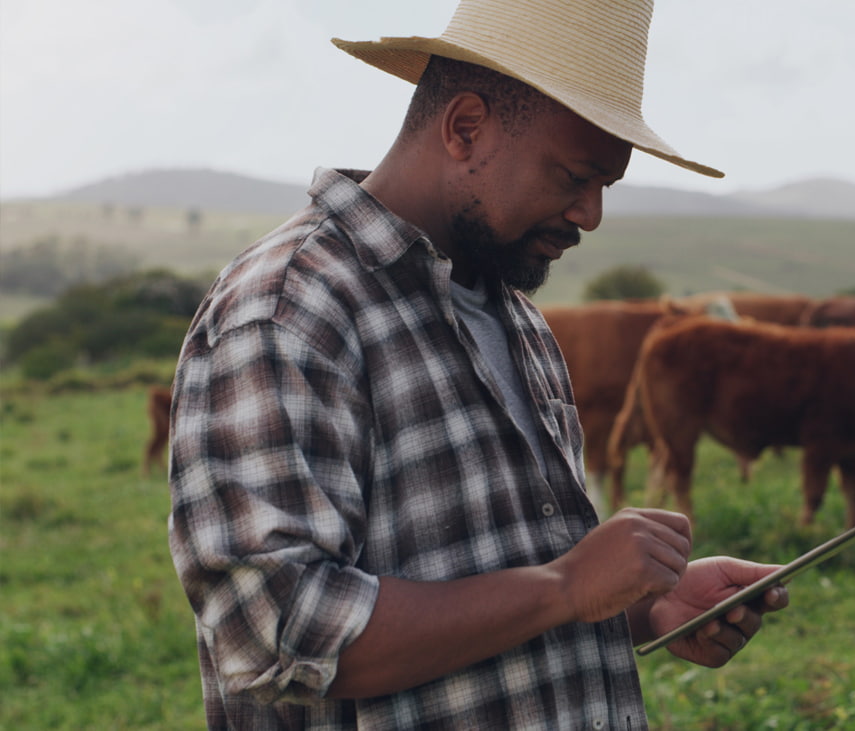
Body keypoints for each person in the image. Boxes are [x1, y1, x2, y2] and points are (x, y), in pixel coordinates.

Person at [167, 0, 789, 727]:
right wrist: (566, 584)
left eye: (604, 188)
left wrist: (642, 607)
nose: (589, 214)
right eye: (572, 176)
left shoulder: (513, 312)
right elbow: (277, 630)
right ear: (465, 129)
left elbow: (507, 590)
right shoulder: (290, 310)